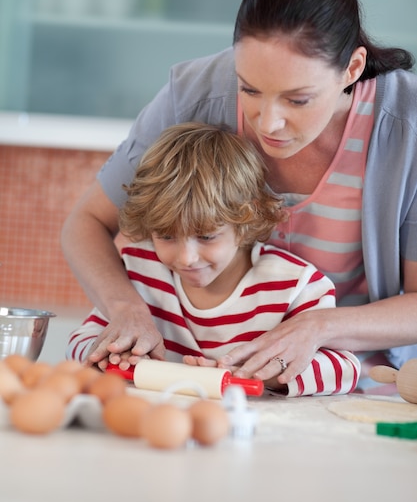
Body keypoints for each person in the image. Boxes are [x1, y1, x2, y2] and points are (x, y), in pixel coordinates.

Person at [61, 0, 417, 390]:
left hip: (347, 383)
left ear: (352, 68)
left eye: (298, 99)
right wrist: (127, 309)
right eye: (249, 88)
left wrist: (319, 327)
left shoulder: (407, 130)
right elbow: (86, 223)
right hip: (208, 385)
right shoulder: (193, 95)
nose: (267, 123)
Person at [67, 123, 360, 397]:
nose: (187, 258)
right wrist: (113, 355)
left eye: (206, 237)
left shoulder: (296, 286)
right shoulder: (140, 270)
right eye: (166, 236)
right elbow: (82, 340)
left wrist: (257, 376)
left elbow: (345, 369)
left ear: (245, 220)